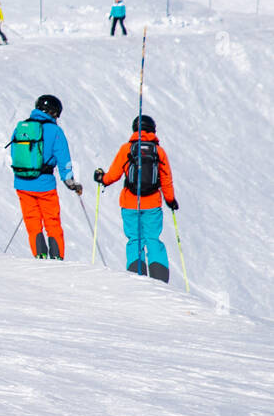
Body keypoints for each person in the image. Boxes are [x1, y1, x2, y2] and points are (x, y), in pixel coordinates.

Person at [94, 115, 177, 282]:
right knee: (153, 239)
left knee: (134, 240)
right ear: (152, 130)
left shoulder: (127, 149)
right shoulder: (158, 152)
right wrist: (170, 200)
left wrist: (102, 178)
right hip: (152, 203)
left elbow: (113, 175)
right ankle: (160, 279)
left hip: (130, 203)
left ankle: (137, 277)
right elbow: (166, 179)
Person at [9, 94, 83, 260]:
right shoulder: (55, 131)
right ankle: (57, 256)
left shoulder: (21, 127)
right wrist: (70, 181)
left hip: (22, 183)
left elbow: (14, 153)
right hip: (45, 185)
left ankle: (39, 255)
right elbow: (64, 159)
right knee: (52, 221)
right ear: (53, 112)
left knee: (32, 221)